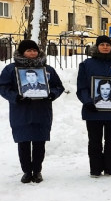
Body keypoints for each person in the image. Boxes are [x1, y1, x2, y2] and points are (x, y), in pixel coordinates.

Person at [0, 40, 64, 183]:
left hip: (41, 111)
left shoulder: (47, 69)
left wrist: (52, 94)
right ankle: (27, 171)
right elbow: (3, 87)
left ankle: (37, 170)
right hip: (21, 111)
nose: (32, 53)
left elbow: (58, 86)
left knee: (39, 142)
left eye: (34, 50)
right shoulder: (11, 69)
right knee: (23, 142)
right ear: (22, 52)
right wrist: (16, 97)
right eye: (28, 50)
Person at [77, 35, 111, 177]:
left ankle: (110, 167)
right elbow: (82, 87)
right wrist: (87, 102)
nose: (105, 47)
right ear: (97, 47)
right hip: (93, 111)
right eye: (102, 44)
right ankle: (95, 168)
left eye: (107, 45)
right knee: (94, 141)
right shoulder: (86, 65)